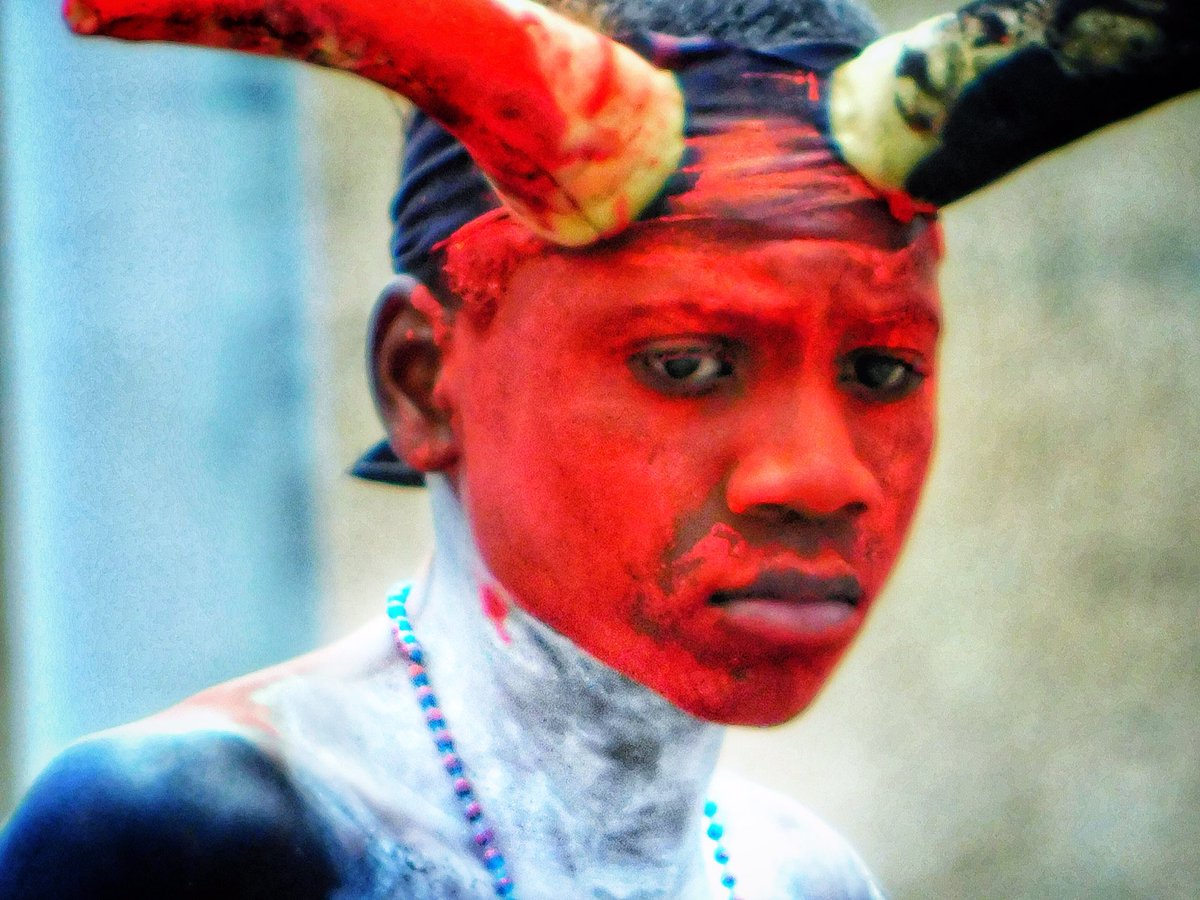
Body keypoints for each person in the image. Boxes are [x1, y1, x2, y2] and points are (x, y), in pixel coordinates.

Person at [0, 0, 1195, 896]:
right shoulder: (194, 831)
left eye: (880, 369)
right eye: (686, 363)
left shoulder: (795, 878)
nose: (820, 478)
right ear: (423, 382)